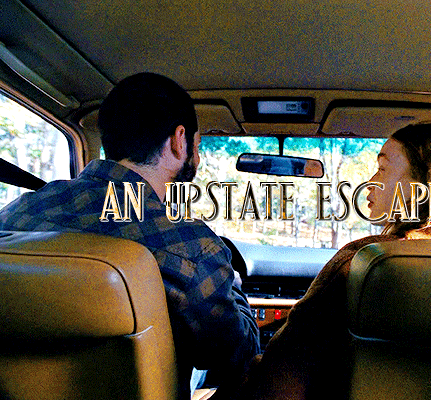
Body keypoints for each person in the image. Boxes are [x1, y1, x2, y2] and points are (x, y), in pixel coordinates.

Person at [0, 72, 260, 400]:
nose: (197, 156)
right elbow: (238, 357)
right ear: (179, 140)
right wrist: (233, 286)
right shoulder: (191, 245)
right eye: (197, 146)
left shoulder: (15, 213)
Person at [228, 121, 431, 400]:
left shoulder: (365, 262)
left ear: (422, 185)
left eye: (383, 169)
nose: (370, 182)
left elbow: (279, 387)